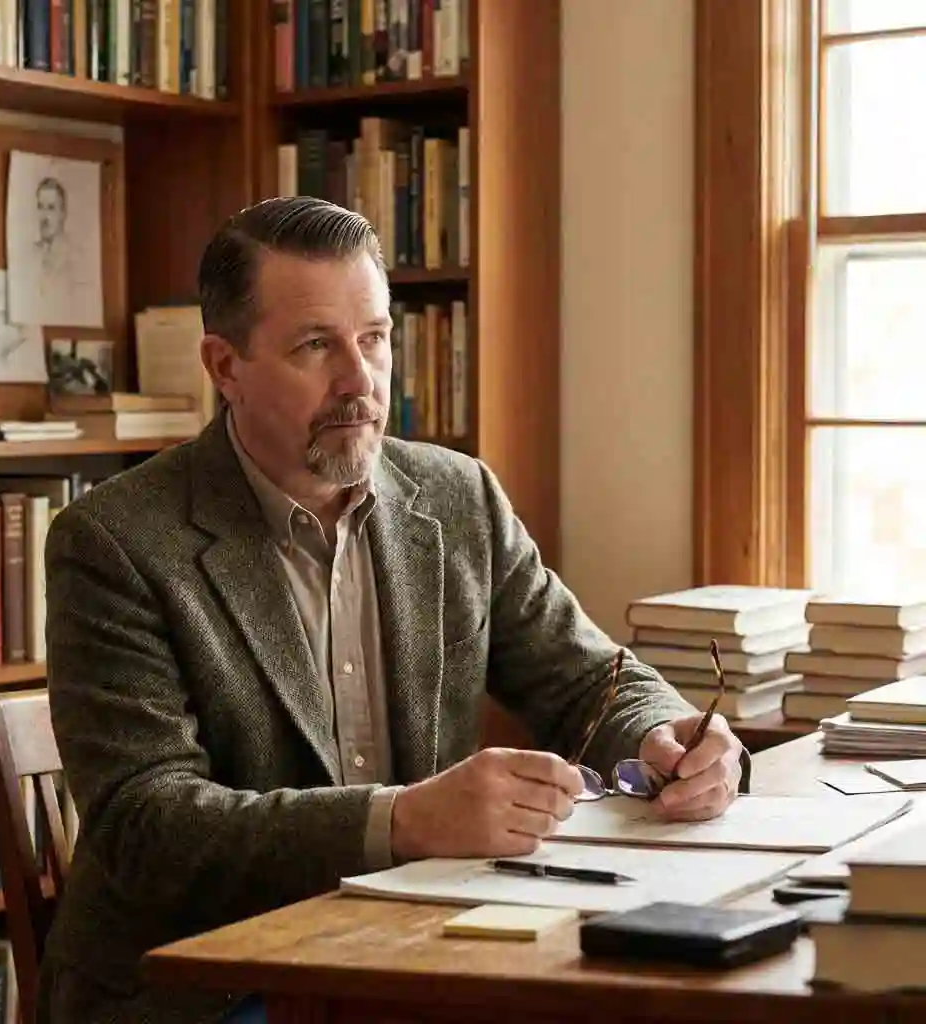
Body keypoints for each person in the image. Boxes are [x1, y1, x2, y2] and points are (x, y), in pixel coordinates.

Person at [39, 197, 748, 1024]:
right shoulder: (115, 541)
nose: (360, 380)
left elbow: (587, 678)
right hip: (206, 983)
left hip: (419, 950)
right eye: (316, 345)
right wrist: (403, 820)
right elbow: (145, 824)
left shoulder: (457, 498)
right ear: (224, 366)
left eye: (374, 339)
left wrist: (664, 734)